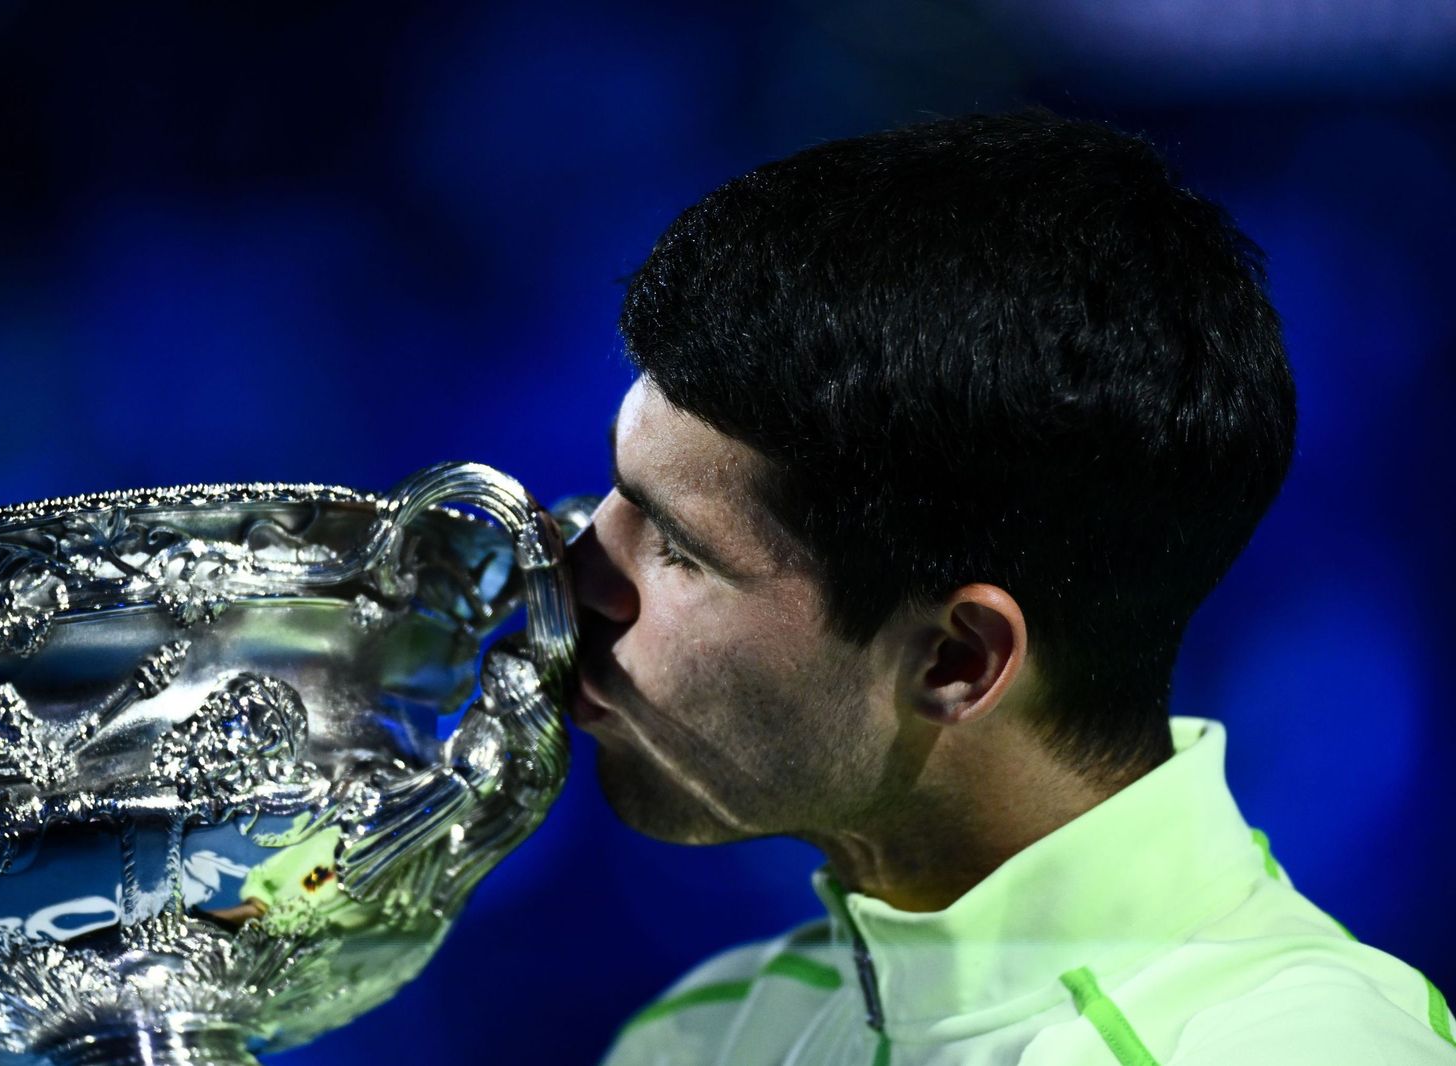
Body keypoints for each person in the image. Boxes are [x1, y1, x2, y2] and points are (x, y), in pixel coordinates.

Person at [564, 110, 1456, 1065]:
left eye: (680, 548)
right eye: (610, 492)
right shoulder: (712, 1029)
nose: (570, 575)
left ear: (960, 660)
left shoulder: (1300, 1048)